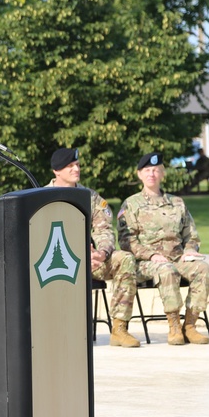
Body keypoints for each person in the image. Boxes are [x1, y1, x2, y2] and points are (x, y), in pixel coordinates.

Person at [46, 147, 140, 348]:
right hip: (56, 265)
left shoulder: (90, 197)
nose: (76, 169)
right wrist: (76, 254)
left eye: (77, 165)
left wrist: (102, 253)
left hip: (91, 261)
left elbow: (104, 230)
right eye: (70, 166)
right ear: (56, 171)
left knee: (125, 259)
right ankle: (60, 331)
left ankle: (119, 329)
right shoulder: (42, 197)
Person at [117, 152, 209, 346]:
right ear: (139, 175)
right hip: (145, 263)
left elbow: (191, 235)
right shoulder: (131, 204)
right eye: (147, 170)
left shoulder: (177, 203)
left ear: (162, 173)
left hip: (177, 257)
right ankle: (174, 326)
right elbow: (126, 241)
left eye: (156, 170)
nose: (151, 174)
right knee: (166, 270)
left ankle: (190, 325)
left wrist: (190, 250)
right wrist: (151, 255)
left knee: (204, 270)